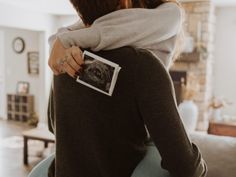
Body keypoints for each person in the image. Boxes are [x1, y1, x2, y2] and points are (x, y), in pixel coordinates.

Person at [47, 0, 207, 177]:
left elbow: (53, 125)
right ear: (125, 2)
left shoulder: (63, 59)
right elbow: (186, 168)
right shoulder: (143, 66)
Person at [48, 0, 184, 79]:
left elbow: (112, 31)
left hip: (144, 116)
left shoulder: (170, 14)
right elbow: (61, 35)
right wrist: (60, 41)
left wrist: (64, 41)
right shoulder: (100, 20)